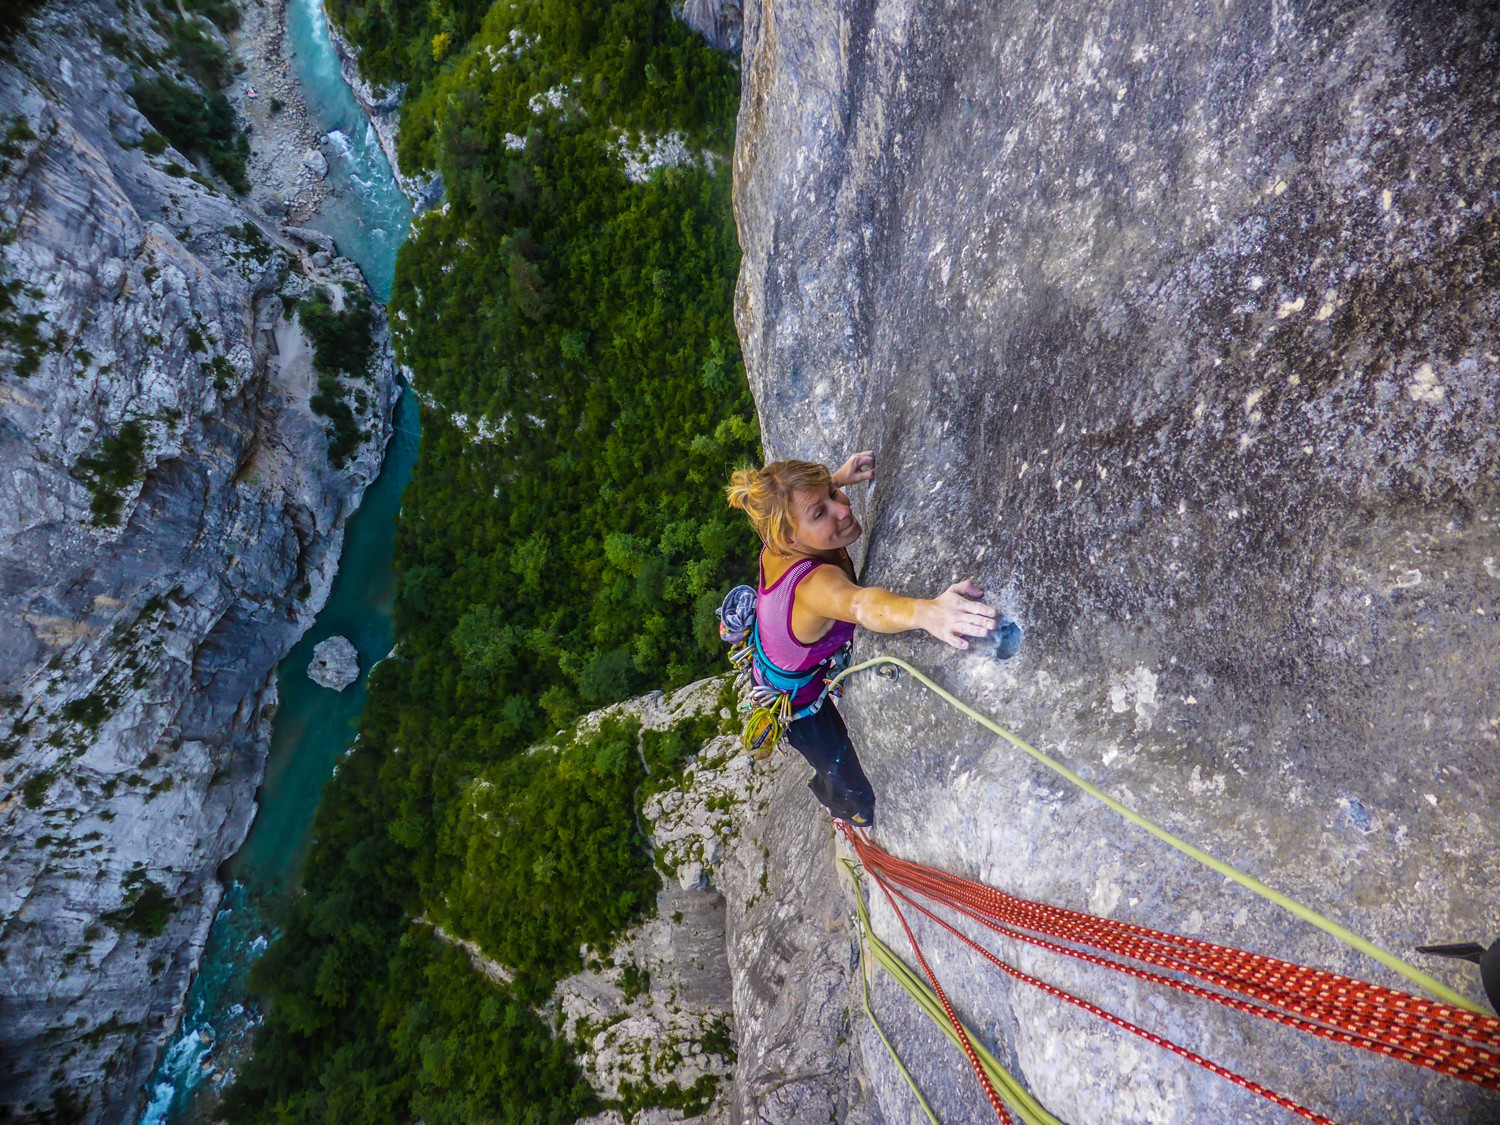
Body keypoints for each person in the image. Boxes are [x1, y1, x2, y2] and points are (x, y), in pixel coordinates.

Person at [725, 453, 999, 827]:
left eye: (832, 494)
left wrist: (836, 479)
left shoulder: (781, 538)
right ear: (789, 537)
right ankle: (842, 809)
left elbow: (809, 509)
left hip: (773, 653)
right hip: (795, 701)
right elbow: (862, 604)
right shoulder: (814, 586)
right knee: (848, 785)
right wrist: (926, 612)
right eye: (819, 512)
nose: (842, 509)